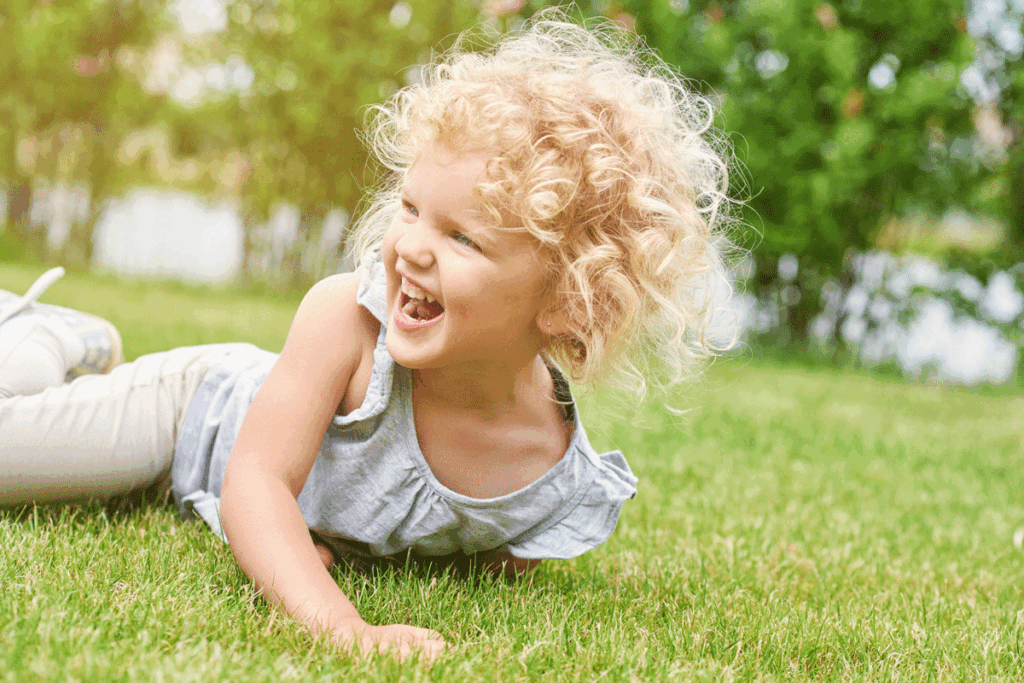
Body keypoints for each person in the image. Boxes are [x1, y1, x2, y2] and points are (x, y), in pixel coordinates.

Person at [0, 9, 738, 659]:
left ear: (566, 302)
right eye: (411, 207)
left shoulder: (547, 470)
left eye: (463, 238)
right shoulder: (348, 321)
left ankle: (60, 349)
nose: (410, 245)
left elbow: (484, 544)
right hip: (187, 415)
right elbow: (255, 484)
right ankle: (49, 337)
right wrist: (340, 624)